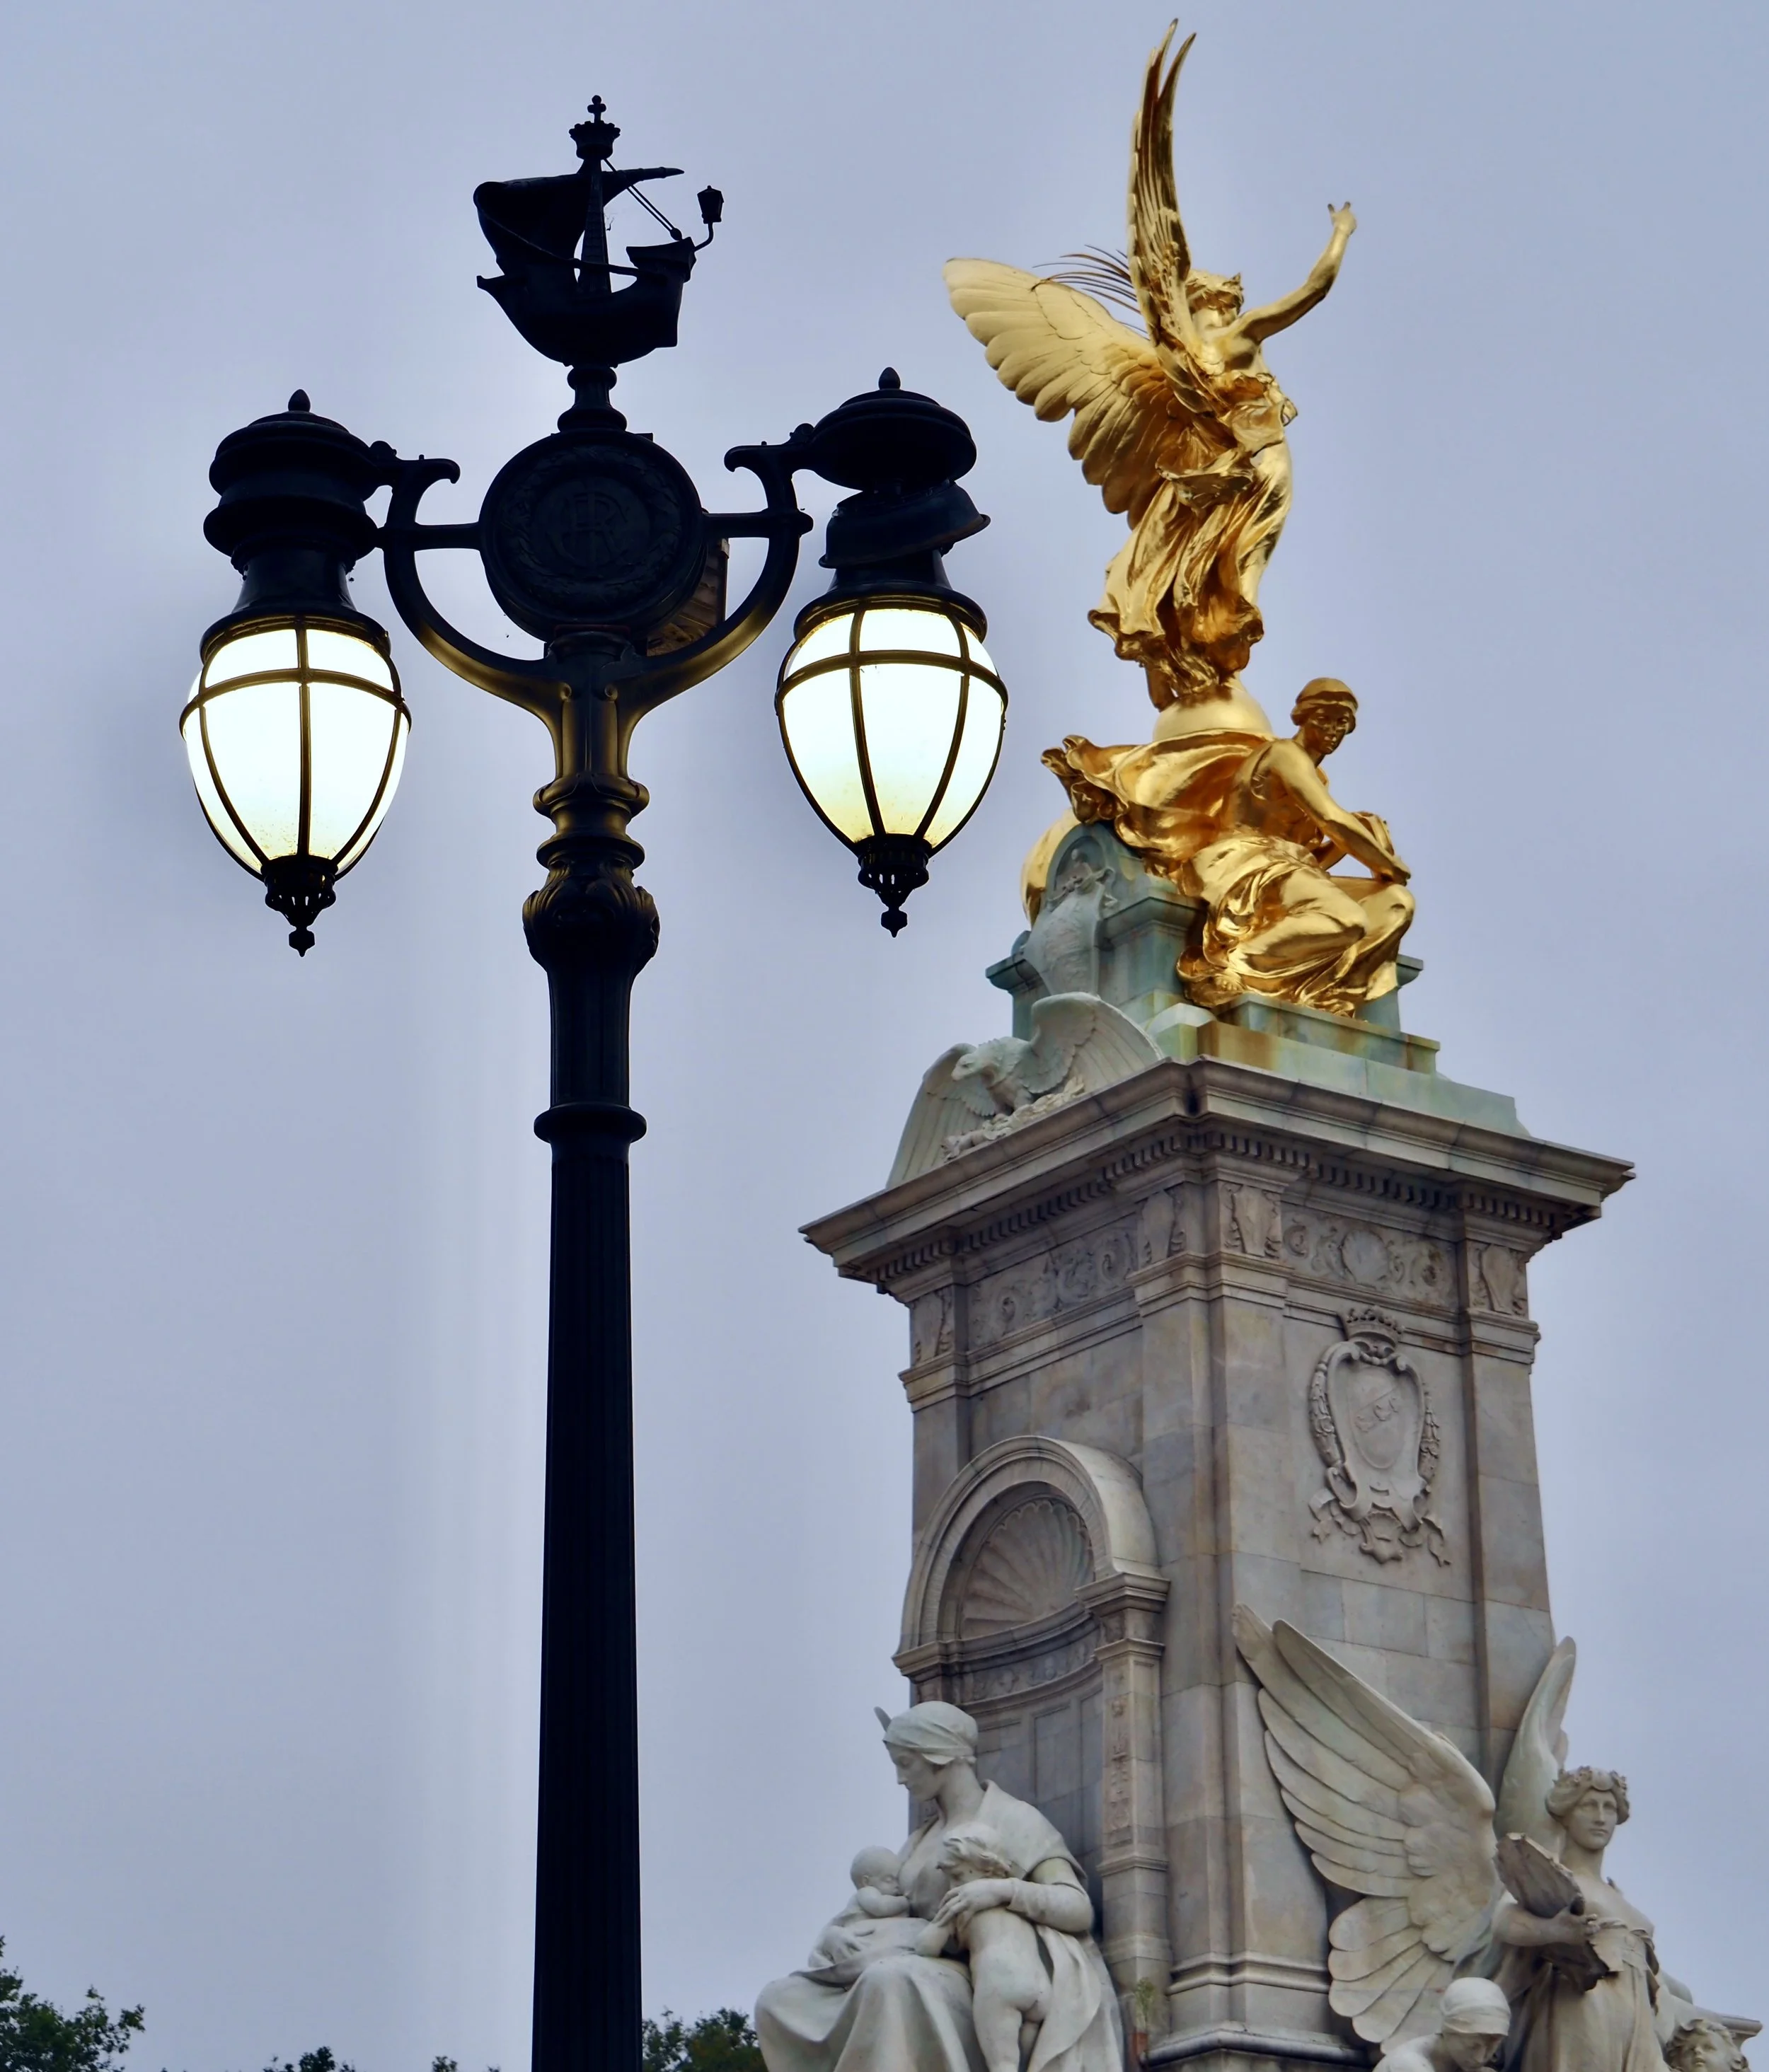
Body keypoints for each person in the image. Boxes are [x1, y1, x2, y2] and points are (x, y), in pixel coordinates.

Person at [754, 1702, 1122, 2072]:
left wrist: (1003, 1892)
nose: (900, 1778)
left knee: (891, 1981)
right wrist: (836, 1935)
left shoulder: (1014, 1819)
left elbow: (1078, 1909)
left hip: (973, 1973)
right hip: (913, 1959)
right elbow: (887, 1910)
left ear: (939, 1757)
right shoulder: (918, 1841)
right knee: (780, 1999)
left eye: (906, 1763)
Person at [1175, 677, 1413, 1014]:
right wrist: (1388, 864)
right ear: (1302, 718)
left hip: (1286, 867)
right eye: (1324, 719)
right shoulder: (1284, 754)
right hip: (1245, 860)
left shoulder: (1317, 776)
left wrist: (1354, 840)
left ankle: (1331, 992)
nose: (1333, 729)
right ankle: (1232, 966)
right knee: (1346, 918)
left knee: (1394, 903)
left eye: (1342, 723)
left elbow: (1310, 861)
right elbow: (1330, 818)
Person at [1494, 1767, 1668, 2072]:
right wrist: (1553, 1931)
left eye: (1610, 1808)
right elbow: (1504, 1921)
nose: (1601, 1817)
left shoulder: (1619, 1897)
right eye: (1589, 1806)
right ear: (1566, 1813)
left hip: (1637, 2019)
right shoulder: (1553, 1879)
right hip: (1581, 2006)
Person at [915, 1829, 1050, 2072]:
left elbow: (926, 1947)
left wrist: (937, 1924)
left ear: (984, 1868)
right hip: (1040, 1987)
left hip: (1000, 1982)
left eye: (956, 1875)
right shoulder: (1011, 1894)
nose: (952, 1884)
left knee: (1004, 2065)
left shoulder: (960, 1901)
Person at [801, 1848, 919, 1987]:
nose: (896, 1885)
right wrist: (905, 1901)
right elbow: (880, 1908)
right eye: (888, 1879)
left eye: (897, 1879)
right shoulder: (867, 1892)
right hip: (855, 1939)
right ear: (866, 1882)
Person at [1373, 1979, 1512, 2072]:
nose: (1480, 2058)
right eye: (1472, 2047)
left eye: (1491, 2049)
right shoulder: (1408, 2065)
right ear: (1448, 2031)